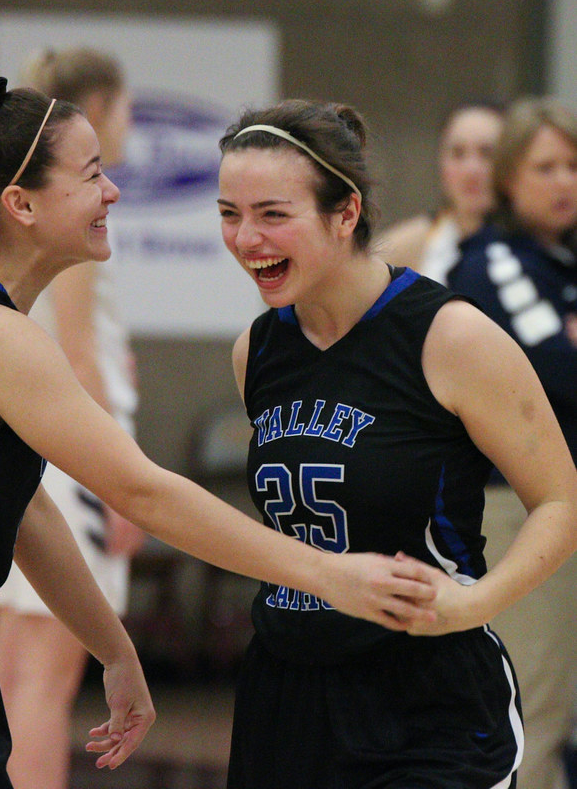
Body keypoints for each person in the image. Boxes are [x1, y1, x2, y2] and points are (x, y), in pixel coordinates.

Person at [0, 73, 445, 789]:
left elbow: (24, 508)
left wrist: (112, 649)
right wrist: (329, 573)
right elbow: (144, 492)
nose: (114, 192)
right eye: (93, 173)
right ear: (21, 204)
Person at [216, 98, 577, 789]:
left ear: (344, 212)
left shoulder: (450, 335)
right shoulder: (254, 352)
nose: (245, 239)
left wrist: (476, 603)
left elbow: (560, 500)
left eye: (271, 214)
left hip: (424, 697)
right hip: (284, 693)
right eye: (229, 214)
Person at [0, 48, 144, 789]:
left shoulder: (26, 210)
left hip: (29, 452)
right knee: (42, 688)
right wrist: (118, 483)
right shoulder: (72, 224)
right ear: (100, 107)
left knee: (12, 679)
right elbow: (79, 361)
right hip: (69, 461)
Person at [448, 96, 577, 789]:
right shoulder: (492, 263)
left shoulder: (557, 263)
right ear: (507, 178)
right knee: (535, 711)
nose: (564, 181)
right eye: (545, 166)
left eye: (573, 166)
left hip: (560, 509)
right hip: (521, 511)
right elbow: (561, 373)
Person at [376, 99, 505, 283]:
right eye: (457, 153)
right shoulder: (402, 247)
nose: (471, 170)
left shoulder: (537, 243)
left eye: (487, 153)